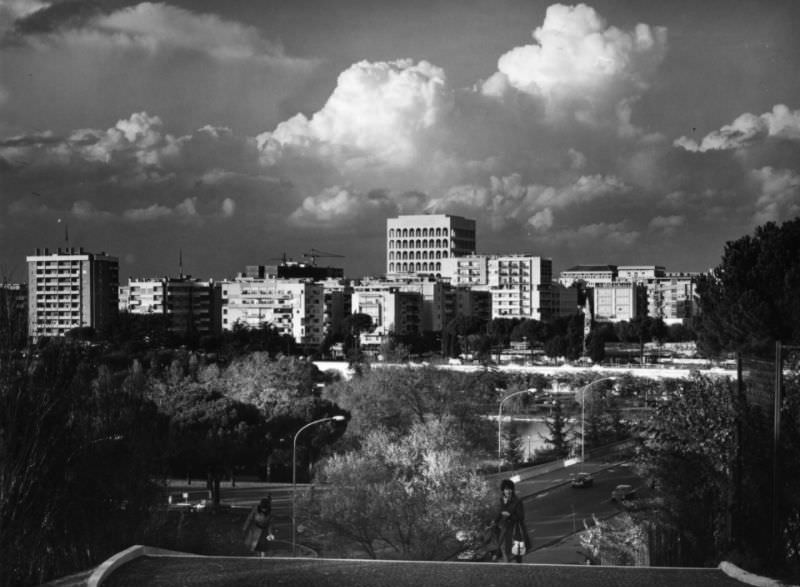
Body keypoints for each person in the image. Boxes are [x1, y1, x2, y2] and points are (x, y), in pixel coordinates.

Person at [492, 479, 531, 563]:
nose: (508, 491)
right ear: (503, 490)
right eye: (506, 489)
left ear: (512, 490)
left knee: (517, 552)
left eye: (510, 489)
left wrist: (510, 515)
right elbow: (500, 512)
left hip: (516, 529)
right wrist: (495, 521)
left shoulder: (518, 501)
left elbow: (521, 517)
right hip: (506, 528)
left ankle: (518, 567)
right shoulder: (502, 500)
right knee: (505, 549)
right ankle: (508, 568)